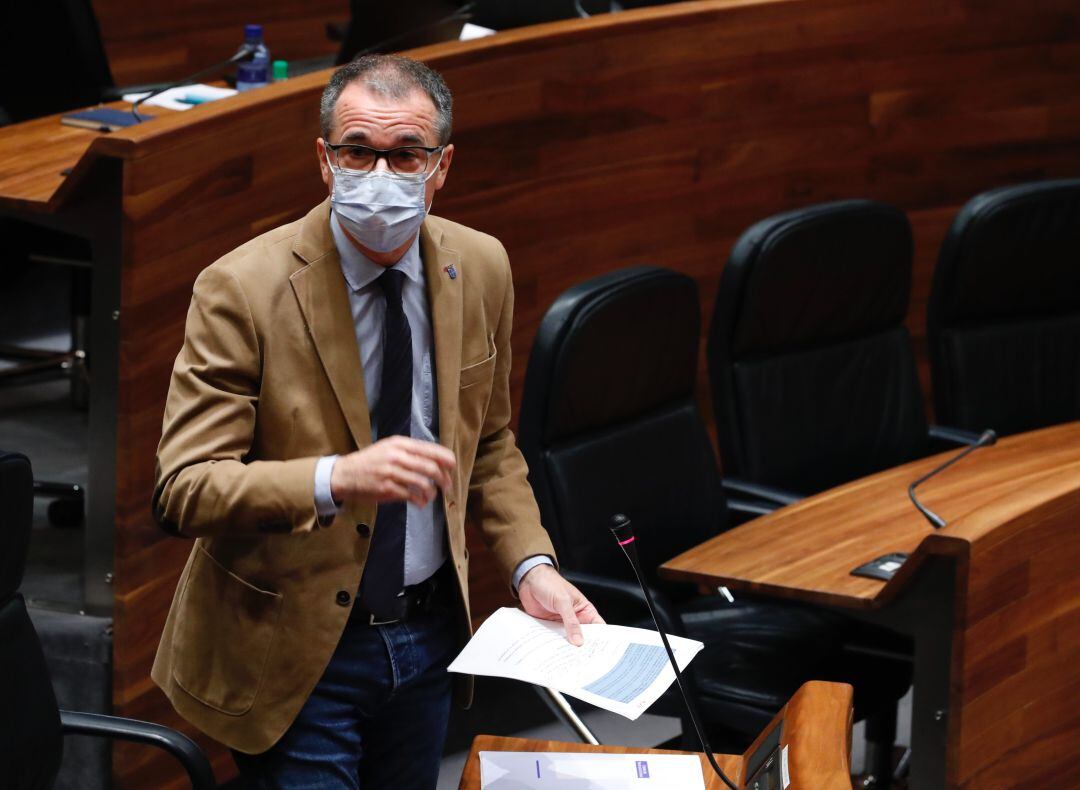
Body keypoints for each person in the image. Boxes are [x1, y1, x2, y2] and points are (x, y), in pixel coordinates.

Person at [150, 53, 602, 788]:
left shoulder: (481, 265)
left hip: (427, 638)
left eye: (405, 154)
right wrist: (335, 478)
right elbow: (184, 490)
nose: (380, 173)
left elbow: (487, 445)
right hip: (295, 648)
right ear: (325, 163)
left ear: (441, 166)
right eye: (359, 150)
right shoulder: (243, 288)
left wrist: (531, 565)